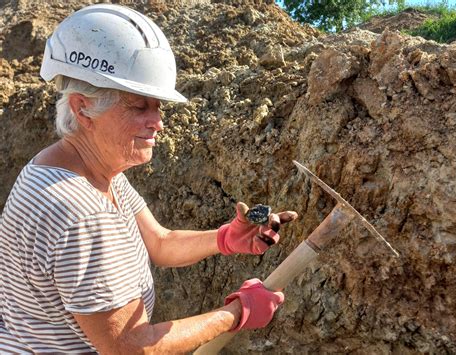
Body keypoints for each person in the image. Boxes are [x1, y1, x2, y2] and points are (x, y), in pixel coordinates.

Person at [0, 4, 300, 353]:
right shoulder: (81, 214)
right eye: (139, 107)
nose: (157, 122)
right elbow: (132, 347)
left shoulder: (82, 170)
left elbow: (160, 241)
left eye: (158, 106)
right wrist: (236, 313)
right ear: (83, 109)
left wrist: (225, 239)